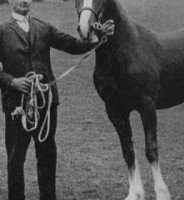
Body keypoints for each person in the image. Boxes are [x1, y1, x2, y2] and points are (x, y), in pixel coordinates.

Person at [0, 0, 115, 199]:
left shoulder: (43, 27)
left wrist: (99, 35)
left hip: (46, 102)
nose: (25, 1)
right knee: (16, 158)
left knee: (47, 155)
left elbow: (74, 45)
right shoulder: (2, 31)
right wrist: (12, 82)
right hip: (17, 105)